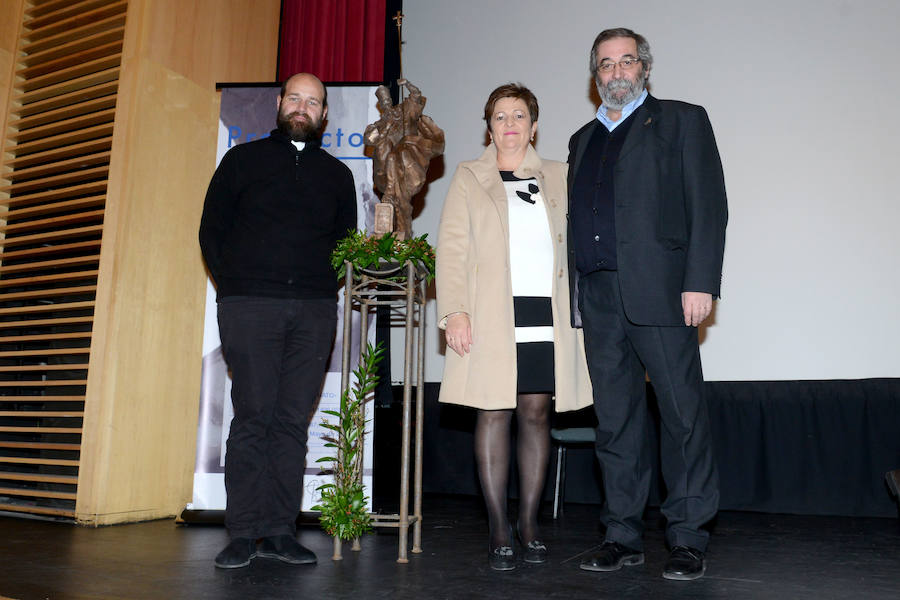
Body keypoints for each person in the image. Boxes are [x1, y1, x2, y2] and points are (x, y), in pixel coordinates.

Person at [568, 28, 727, 581]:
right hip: (599, 297)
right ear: (596, 75)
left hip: (663, 291)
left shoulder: (682, 121)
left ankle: (686, 537)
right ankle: (622, 534)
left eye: (626, 61)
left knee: (682, 417)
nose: (616, 71)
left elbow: (709, 206)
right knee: (615, 423)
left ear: (644, 68)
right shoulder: (580, 139)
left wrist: (701, 280)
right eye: (606, 63)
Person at [199, 73, 357, 569]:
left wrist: (316, 290)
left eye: (314, 102)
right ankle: (243, 531)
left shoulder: (338, 175)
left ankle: (280, 530)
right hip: (249, 306)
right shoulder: (242, 160)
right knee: (253, 417)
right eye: (296, 98)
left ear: (324, 115)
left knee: (290, 422)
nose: (303, 108)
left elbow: (344, 242)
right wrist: (238, 285)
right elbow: (212, 230)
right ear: (279, 103)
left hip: (312, 311)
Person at [437, 83, 592, 571]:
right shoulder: (468, 177)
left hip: (544, 311)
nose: (510, 124)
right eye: (500, 116)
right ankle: (498, 528)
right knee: (493, 411)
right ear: (489, 127)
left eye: (519, 115)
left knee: (536, 414)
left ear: (533, 125)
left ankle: (528, 522)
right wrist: (455, 310)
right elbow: (453, 249)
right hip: (490, 315)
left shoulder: (560, 176)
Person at [363, 79, 444, 238]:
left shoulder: (404, 113)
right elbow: (369, 139)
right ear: (380, 104)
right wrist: (386, 126)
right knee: (395, 198)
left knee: (401, 199)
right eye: (383, 102)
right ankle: (389, 228)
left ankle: (400, 224)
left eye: (388, 100)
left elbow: (415, 95)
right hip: (385, 173)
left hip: (409, 166)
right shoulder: (379, 124)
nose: (387, 104)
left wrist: (407, 84)